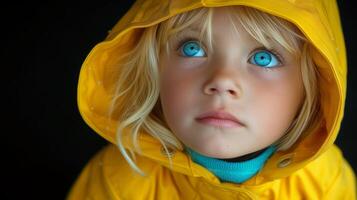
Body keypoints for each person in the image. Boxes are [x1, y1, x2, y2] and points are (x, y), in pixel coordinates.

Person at [66, 0, 356, 199]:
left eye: (263, 58)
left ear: (312, 87)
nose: (222, 81)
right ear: (154, 69)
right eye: (193, 48)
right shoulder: (119, 183)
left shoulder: (326, 184)